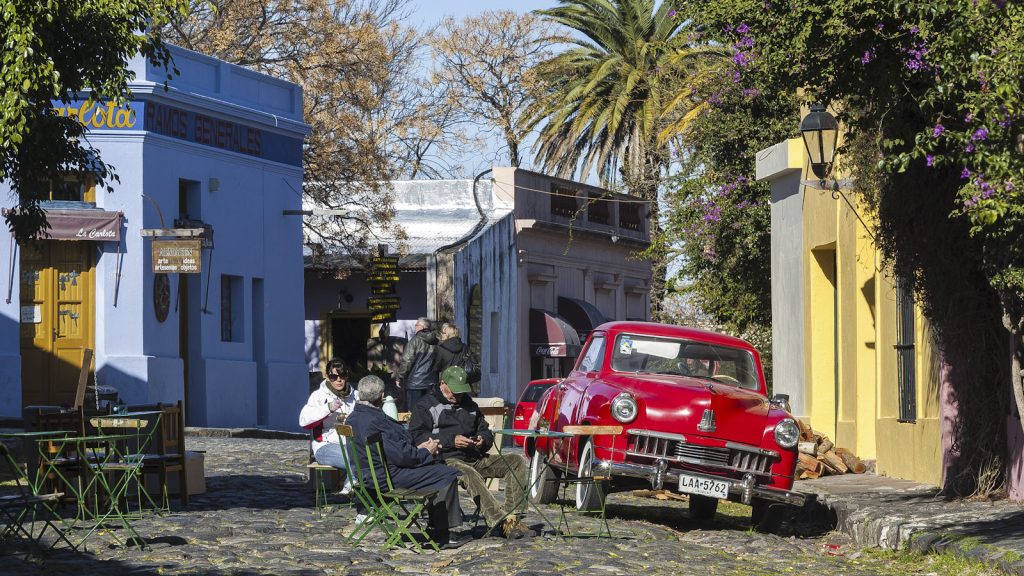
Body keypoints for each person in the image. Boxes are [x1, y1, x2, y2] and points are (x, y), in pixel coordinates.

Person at [408, 366, 532, 540]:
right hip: (445, 459)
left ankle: (514, 519)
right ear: (442, 383)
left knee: (516, 461)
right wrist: (451, 440)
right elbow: (417, 436)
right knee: (469, 473)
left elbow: (485, 431)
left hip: (473, 455)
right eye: (454, 391)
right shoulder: (425, 405)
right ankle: (500, 522)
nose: (458, 396)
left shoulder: (470, 405)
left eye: (461, 392)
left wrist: (482, 440)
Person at [346, 374, 469, 549]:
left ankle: (436, 527)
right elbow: (403, 457)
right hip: (386, 477)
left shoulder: (353, 417)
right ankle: (442, 535)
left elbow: (394, 450)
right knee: (446, 474)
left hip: (366, 475)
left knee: (436, 468)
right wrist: (426, 451)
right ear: (382, 396)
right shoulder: (376, 421)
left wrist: (419, 449)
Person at [299, 358, 357, 492]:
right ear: (327, 376)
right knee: (353, 457)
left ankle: (356, 487)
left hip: (350, 443)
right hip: (325, 446)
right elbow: (304, 421)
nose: (338, 380)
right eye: (333, 376)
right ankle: (351, 486)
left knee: (367, 454)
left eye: (342, 375)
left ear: (347, 376)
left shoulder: (355, 396)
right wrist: (328, 408)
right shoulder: (318, 396)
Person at [397, 317, 438, 411]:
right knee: (430, 411)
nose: (415, 327)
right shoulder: (436, 341)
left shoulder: (414, 341)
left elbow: (407, 361)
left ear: (422, 327)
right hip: (431, 382)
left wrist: (399, 377)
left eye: (416, 325)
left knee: (414, 412)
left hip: (415, 383)